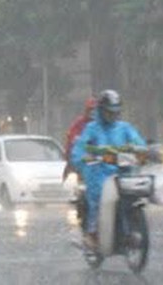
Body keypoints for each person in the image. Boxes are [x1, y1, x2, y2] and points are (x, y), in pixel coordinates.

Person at [71, 89, 147, 251]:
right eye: (109, 112)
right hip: (98, 174)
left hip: (122, 172)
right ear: (101, 111)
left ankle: (129, 231)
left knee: (131, 196)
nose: (113, 115)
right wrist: (84, 158)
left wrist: (142, 151)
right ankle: (91, 232)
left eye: (116, 112)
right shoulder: (92, 128)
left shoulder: (125, 128)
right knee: (97, 197)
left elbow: (138, 142)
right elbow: (80, 148)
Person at [62, 96, 97, 181]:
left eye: (95, 110)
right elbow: (71, 140)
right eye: (90, 109)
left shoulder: (103, 125)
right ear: (86, 110)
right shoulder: (79, 123)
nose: (92, 112)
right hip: (81, 161)